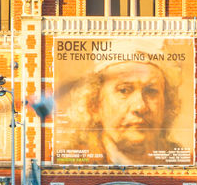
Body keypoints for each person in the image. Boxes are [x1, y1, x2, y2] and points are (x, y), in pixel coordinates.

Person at [58, 59, 186, 165]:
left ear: (166, 104)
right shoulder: (67, 164)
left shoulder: (185, 163)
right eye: (124, 90)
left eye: (151, 91)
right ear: (95, 106)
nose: (140, 107)